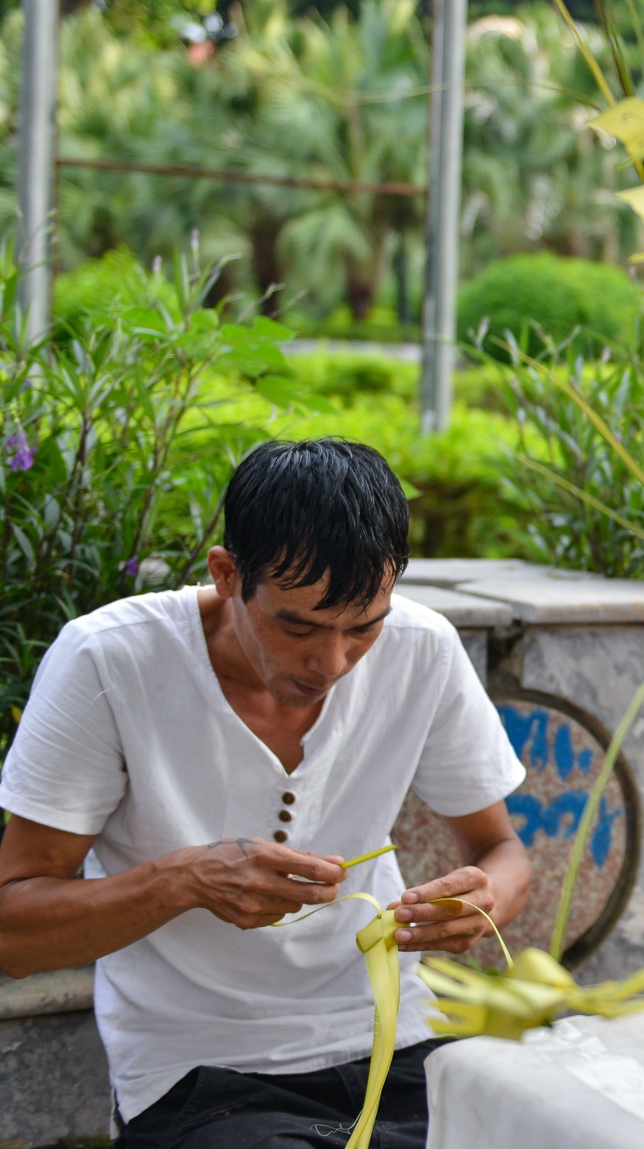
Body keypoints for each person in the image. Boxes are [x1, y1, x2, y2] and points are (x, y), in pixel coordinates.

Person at [0, 439, 531, 1149]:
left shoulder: (423, 649)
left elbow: (501, 850)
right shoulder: (110, 659)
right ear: (226, 574)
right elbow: (14, 930)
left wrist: (482, 901)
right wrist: (182, 880)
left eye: (364, 626)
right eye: (299, 625)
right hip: (198, 1074)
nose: (333, 662)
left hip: (397, 1040)